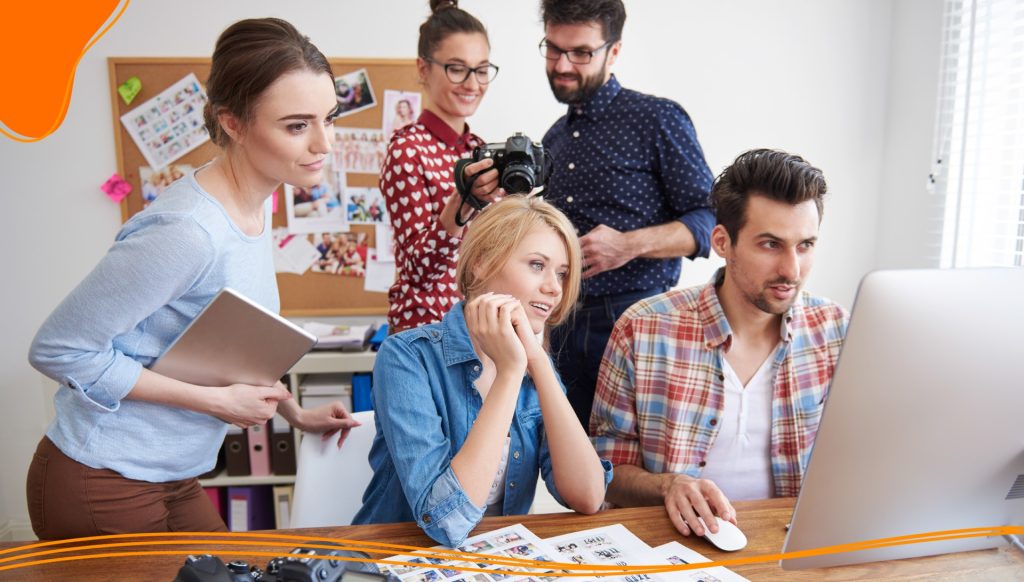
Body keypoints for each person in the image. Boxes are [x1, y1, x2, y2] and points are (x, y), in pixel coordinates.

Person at [26, 18, 360, 540]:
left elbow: (230, 339)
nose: (323, 143)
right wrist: (218, 404)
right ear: (232, 122)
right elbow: (59, 350)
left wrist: (294, 413)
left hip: (174, 473)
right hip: (104, 475)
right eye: (297, 126)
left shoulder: (259, 199)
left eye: (330, 118)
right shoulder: (188, 231)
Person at [590, 149, 849, 538]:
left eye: (805, 245)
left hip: (789, 548)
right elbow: (603, 471)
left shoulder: (834, 331)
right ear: (722, 242)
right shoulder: (643, 329)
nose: (791, 271)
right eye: (770, 245)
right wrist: (668, 485)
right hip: (676, 549)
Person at [354, 195, 612, 547]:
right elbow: (445, 523)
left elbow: (588, 496)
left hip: (493, 560)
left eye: (563, 273)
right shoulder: (407, 357)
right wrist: (509, 374)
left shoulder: (534, 364)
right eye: (537, 265)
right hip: (399, 560)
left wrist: (536, 361)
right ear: (481, 262)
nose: (555, 288)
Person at [539, 0, 716, 431]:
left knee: (638, 471)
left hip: (637, 321)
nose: (562, 64)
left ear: (613, 51)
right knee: (574, 476)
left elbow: (710, 220)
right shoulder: (554, 138)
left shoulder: (656, 118)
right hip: (561, 326)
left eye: (581, 52)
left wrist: (628, 244)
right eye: (553, 48)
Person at [383, 0, 505, 334]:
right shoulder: (408, 149)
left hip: (475, 330)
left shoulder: (477, 148)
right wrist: (462, 202)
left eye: (481, 70)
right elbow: (420, 272)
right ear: (423, 69)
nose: (472, 83)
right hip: (425, 334)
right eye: (456, 68)